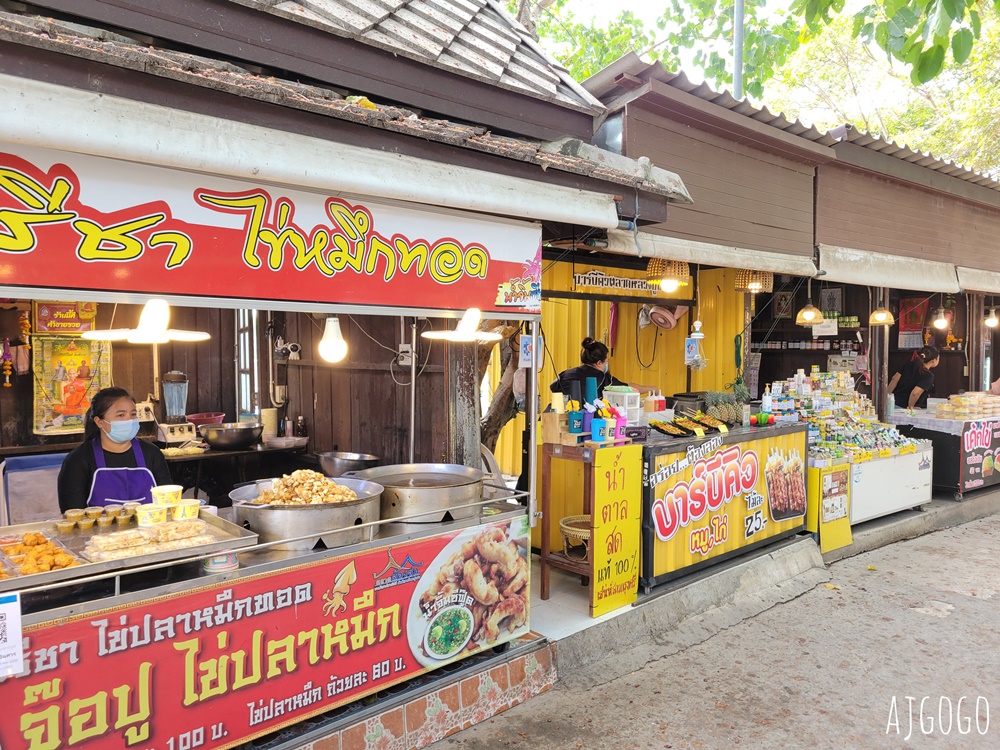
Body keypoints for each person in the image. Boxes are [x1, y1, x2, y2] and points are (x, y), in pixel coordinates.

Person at [57, 387, 172, 511]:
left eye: (133, 414)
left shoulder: (151, 453)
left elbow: (168, 502)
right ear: (99, 422)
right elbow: (72, 514)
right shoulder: (78, 460)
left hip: (149, 528)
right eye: (121, 415)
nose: (129, 420)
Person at [550, 337, 655, 401]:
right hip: (580, 424)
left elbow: (553, 387)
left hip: (553, 420)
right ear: (599, 362)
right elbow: (627, 388)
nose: (607, 365)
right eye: (606, 361)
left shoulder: (566, 373)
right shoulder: (603, 378)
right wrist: (651, 389)